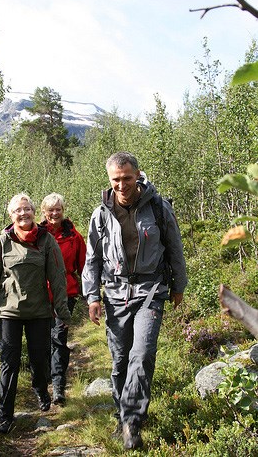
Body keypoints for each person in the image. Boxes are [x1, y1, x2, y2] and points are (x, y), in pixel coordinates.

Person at [82, 152, 187, 450]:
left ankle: (132, 421)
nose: (121, 184)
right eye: (115, 179)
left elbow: (175, 248)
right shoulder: (101, 214)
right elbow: (93, 259)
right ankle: (122, 413)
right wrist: (92, 297)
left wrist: (179, 285)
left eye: (127, 178)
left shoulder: (158, 207)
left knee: (141, 354)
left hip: (151, 291)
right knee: (120, 360)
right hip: (115, 294)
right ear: (109, 179)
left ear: (138, 175)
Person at [0, 193, 71, 434]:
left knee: (39, 359)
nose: (23, 213)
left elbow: (58, 278)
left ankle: (40, 389)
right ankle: (5, 416)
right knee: (9, 362)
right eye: (18, 210)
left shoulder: (46, 240)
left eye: (27, 209)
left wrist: (62, 311)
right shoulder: (1, 242)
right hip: (8, 312)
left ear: (33, 212)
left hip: (40, 312)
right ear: (11, 215)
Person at [40, 192, 86, 405]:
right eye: (51, 210)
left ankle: (58, 386)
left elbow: (84, 265)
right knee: (41, 339)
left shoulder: (74, 236)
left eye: (58, 209)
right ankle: (42, 383)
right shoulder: (36, 235)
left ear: (63, 211)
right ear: (44, 212)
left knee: (59, 337)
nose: (55, 213)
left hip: (65, 293)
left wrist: (90, 293)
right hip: (38, 294)